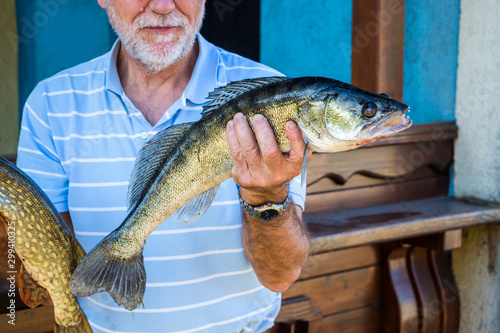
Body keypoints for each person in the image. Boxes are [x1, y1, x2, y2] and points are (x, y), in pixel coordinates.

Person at [17, 0, 311, 332]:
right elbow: (36, 264)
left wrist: (268, 196)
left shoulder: (269, 96)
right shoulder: (51, 104)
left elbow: (280, 275)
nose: (161, 6)